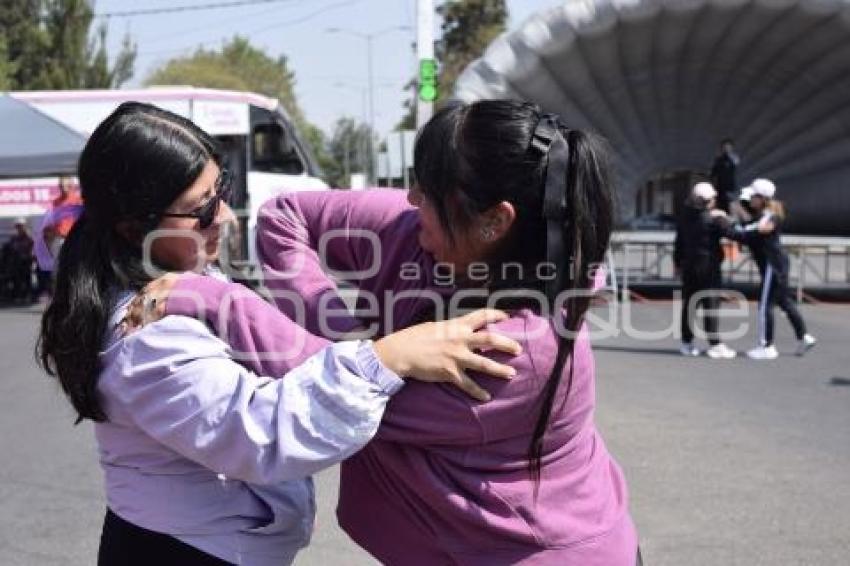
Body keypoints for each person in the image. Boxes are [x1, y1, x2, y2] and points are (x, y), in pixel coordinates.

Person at [145, 100, 641, 565]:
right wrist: (349, 336)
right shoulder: (417, 230)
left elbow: (341, 394)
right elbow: (286, 216)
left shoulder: (518, 350)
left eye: (427, 191)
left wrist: (221, 300)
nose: (409, 199)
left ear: (493, 220)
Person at [37, 102, 521, 566]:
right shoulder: (148, 333)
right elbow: (264, 432)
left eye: (221, 189)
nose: (224, 217)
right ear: (131, 226)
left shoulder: (180, 279)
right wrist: (384, 359)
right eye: (201, 210)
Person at [723, 178, 816, 359]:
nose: (750, 199)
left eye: (754, 196)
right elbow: (748, 227)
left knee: (765, 305)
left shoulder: (769, 216)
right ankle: (804, 336)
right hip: (776, 263)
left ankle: (766, 346)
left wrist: (726, 228)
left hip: (772, 265)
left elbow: (752, 232)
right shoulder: (763, 213)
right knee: (784, 301)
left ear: (762, 198)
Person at [674, 182, 736, 359]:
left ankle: (687, 343)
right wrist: (725, 218)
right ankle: (715, 343)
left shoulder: (685, 217)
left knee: (690, 305)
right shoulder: (713, 220)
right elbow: (734, 234)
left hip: (689, 266)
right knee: (711, 304)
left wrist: (678, 263)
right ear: (708, 200)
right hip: (709, 267)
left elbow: (678, 243)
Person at [8, 218, 35, 303]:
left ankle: (28, 296)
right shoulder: (14, 238)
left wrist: (28, 256)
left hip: (26, 262)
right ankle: (18, 295)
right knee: (17, 279)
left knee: (27, 279)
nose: (19, 228)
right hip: (16, 262)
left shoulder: (29, 238)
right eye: (18, 226)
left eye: (21, 226)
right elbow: (11, 249)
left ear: (24, 226)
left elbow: (33, 250)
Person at [710, 138, 740, 213]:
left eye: (728, 147)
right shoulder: (719, 159)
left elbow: (735, 163)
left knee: (731, 206)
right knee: (721, 206)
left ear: (731, 148)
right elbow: (714, 172)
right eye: (724, 147)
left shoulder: (734, 158)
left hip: (731, 188)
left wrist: (729, 155)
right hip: (720, 188)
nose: (726, 149)